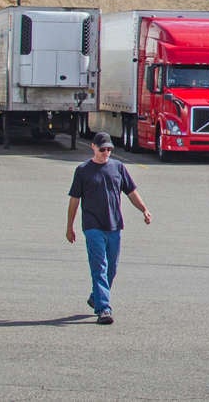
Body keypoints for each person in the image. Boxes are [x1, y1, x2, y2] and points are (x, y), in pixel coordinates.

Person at [66, 131, 152, 325]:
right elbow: (74, 200)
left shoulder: (118, 168)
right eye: (102, 149)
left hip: (114, 226)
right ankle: (104, 308)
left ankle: (96, 297)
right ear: (93, 147)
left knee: (111, 268)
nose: (106, 153)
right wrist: (70, 226)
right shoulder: (83, 171)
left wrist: (144, 210)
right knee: (100, 267)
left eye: (109, 149)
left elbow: (131, 192)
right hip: (92, 226)